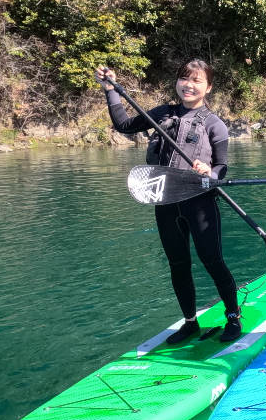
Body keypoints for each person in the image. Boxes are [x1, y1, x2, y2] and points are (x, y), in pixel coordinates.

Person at [95, 61, 242, 345]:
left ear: (208, 87)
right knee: (178, 264)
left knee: (212, 261)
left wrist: (209, 173)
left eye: (197, 81)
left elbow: (222, 167)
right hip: (164, 201)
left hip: (199, 202)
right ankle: (189, 323)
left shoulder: (214, 124)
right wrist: (111, 90)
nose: (189, 85)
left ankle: (233, 317)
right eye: (184, 79)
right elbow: (124, 125)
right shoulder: (162, 113)